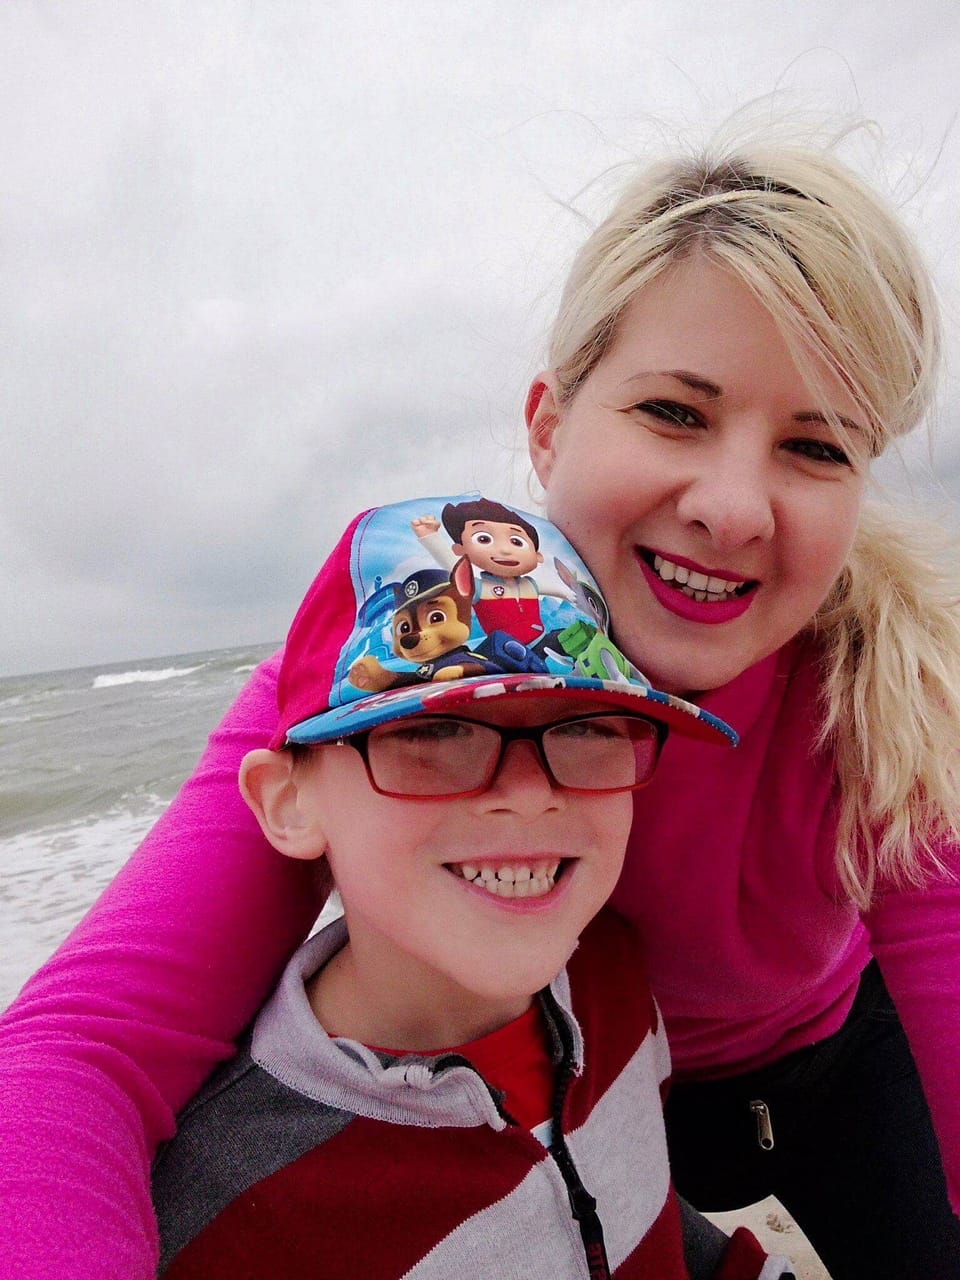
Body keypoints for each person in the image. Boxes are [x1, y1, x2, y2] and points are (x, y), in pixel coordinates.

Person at [3, 134, 960, 1280]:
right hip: (601, 1079)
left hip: (840, 1062)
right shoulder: (393, 676)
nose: (733, 507)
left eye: (815, 444)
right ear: (549, 425)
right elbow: (80, 1055)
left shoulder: (891, 681)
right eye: (674, 411)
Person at [152, 493, 789, 1279]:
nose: (528, 794)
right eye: (435, 730)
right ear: (289, 803)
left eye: (586, 726)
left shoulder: (612, 977)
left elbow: (636, 1209)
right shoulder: (226, 1211)